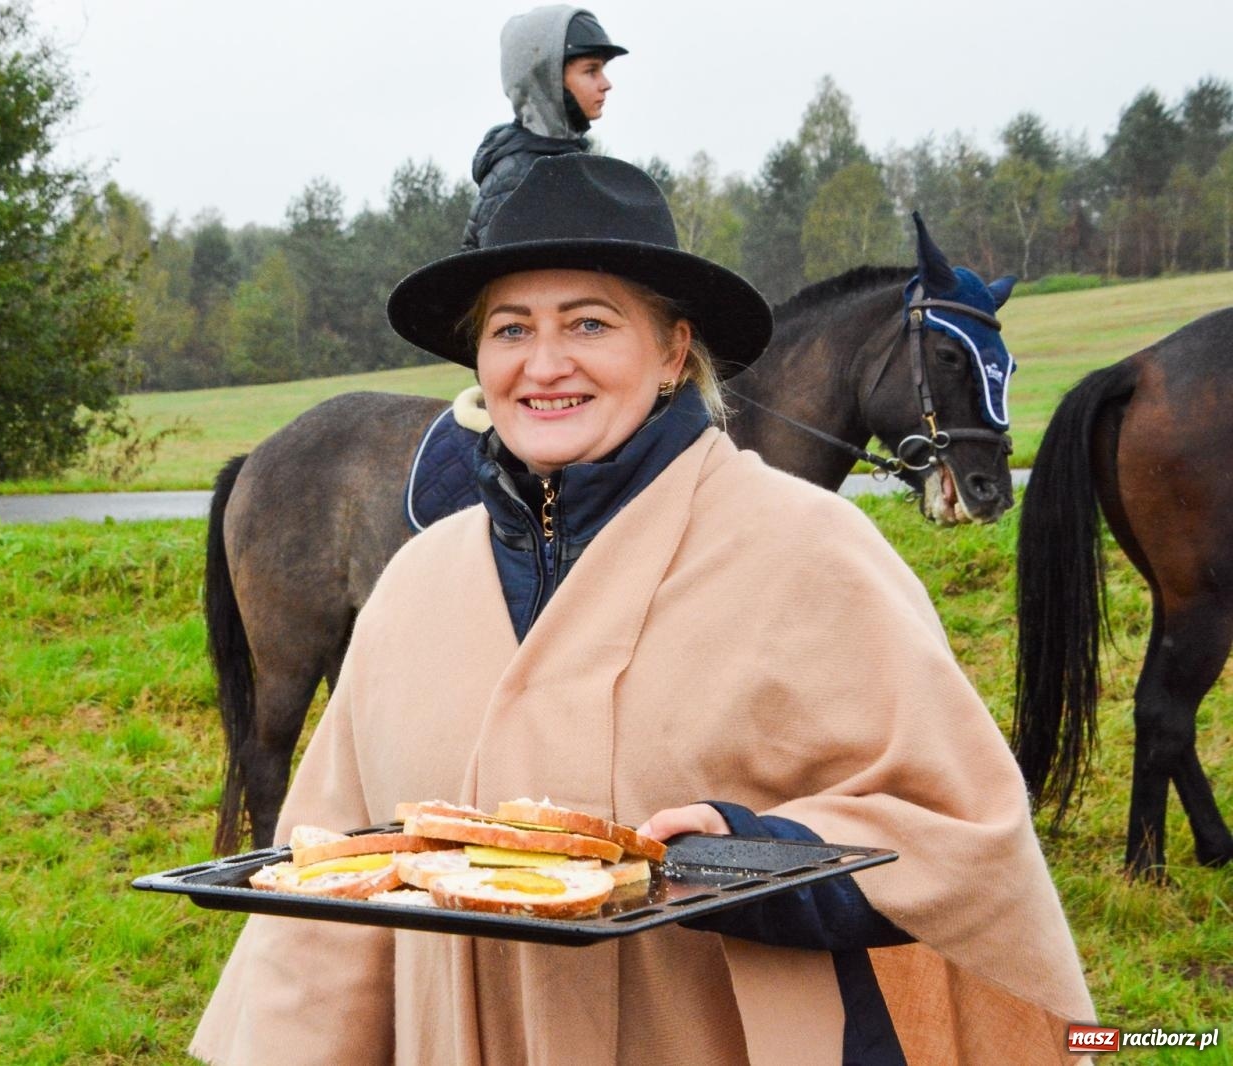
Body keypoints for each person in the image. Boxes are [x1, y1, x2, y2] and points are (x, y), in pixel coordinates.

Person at [190, 156, 1093, 1065]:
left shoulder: (808, 551)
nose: (544, 365)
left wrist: (748, 852)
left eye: (589, 322)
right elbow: (325, 904)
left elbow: (961, 834)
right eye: (510, 328)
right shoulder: (416, 585)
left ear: (672, 351)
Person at [460, 5, 626, 249]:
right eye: (591, 71)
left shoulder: (565, 162)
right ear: (546, 80)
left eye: (603, 70)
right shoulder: (518, 176)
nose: (605, 84)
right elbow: (515, 282)